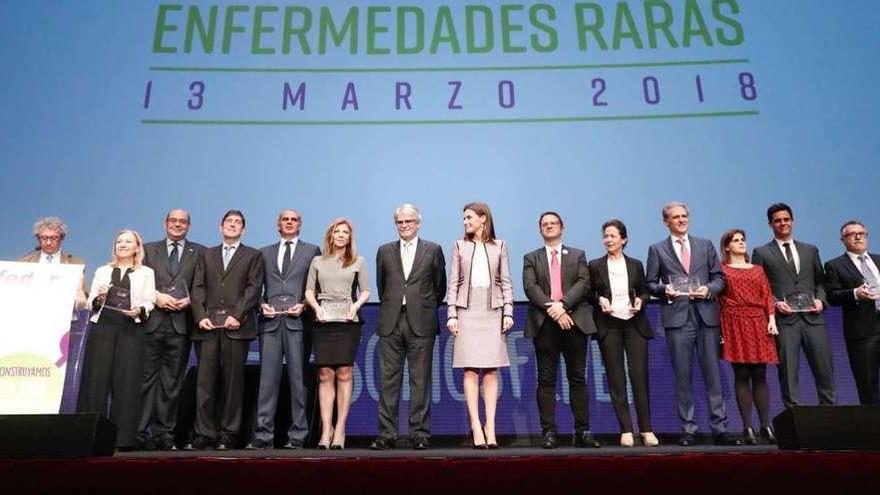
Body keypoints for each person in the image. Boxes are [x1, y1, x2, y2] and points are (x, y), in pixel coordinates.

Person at [646, 202, 739, 446]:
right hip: (677, 320)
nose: (681, 220)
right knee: (683, 377)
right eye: (676, 217)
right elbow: (650, 284)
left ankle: (720, 428)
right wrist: (666, 289)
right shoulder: (657, 249)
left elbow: (719, 278)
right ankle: (688, 429)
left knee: (713, 375)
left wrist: (708, 289)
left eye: (684, 216)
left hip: (706, 317)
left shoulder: (705, 245)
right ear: (666, 221)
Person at [370, 204, 446, 451]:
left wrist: (421, 305)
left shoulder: (433, 250)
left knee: (420, 380)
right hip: (391, 321)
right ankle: (386, 434)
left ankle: (419, 433)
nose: (404, 226)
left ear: (418, 222)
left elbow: (439, 287)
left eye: (408, 221)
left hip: (421, 322)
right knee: (388, 381)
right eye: (400, 222)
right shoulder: (384, 251)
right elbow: (383, 288)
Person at [523, 211, 601, 449]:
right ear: (540, 230)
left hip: (574, 322)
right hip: (545, 324)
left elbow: (583, 283)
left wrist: (563, 306)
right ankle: (549, 433)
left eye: (553, 223)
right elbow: (530, 287)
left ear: (562, 227)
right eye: (544, 224)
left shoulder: (577, 255)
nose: (549, 227)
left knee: (577, 377)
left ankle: (582, 432)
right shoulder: (531, 257)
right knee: (546, 379)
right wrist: (554, 310)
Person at [189, 210, 264, 450]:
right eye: (229, 222)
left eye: (238, 223)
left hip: (236, 327)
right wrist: (199, 316)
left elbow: (253, 289)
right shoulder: (206, 254)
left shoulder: (252, 255)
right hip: (208, 327)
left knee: (233, 383)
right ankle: (204, 433)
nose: (233, 225)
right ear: (220, 227)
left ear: (243, 229)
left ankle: (228, 433)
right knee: (205, 382)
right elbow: (197, 287)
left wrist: (238, 315)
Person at [248, 210, 321, 450]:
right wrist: (261, 305)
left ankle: (298, 435)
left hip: (298, 323)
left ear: (300, 225)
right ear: (278, 225)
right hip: (270, 323)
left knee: (298, 381)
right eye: (285, 219)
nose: (289, 223)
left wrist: (304, 305)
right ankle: (263, 435)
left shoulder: (312, 251)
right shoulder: (264, 253)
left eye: (294, 220)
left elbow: (316, 286)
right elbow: (255, 287)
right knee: (267, 382)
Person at [77, 229, 156, 450]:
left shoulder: (146, 273)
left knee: (127, 383)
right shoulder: (102, 271)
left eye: (127, 241)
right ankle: (91, 436)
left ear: (137, 247)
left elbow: (150, 300)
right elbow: (90, 301)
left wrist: (140, 309)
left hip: (131, 329)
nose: (122, 245)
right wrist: (98, 298)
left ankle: (123, 440)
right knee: (96, 381)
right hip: (103, 328)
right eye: (119, 241)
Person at [752, 203, 835, 407]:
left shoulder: (810, 249)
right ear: (770, 224)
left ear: (793, 221)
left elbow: (821, 282)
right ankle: (794, 418)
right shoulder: (761, 252)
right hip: (785, 321)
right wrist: (776, 303)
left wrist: (820, 300)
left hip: (814, 320)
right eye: (778, 220)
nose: (783, 223)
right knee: (788, 372)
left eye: (786, 219)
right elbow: (758, 289)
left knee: (825, 369)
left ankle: (830, 414)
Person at [447, 202, 514, 449]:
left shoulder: (500, 246)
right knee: (470, 370)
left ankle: (491, 426)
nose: (465, 222)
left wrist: (508, 312)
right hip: (467, 310)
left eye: (469, 217)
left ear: (483, 218)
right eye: (463, 218)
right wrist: (452, 314)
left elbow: (506, 281)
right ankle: (476, 425)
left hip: (492, 310)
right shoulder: (459, 246)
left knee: (492, 370)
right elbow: (453, 282)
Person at [588, 219, 658, 447]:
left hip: (634, 323)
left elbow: (645, 291)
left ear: (623, 240)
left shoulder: (636, 264)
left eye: (612, 236)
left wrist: (641, 300)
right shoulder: (595, 265)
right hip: (609, 325)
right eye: (605, 236)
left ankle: (646, 429)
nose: (608, 240)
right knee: (616, 378)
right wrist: (599, 300)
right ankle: (626, 429)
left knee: (639, 377)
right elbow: (589, 293)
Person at [138, 209, 204, 451]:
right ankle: (141, 432)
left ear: (189, 225)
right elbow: (138, 280)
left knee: (172, 382)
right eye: (173, 221)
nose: (178, 225)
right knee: (145, 379)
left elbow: (201, 285)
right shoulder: (146, 249)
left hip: (181, 324)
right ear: (165, 223)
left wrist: (191, 301)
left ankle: (165, 434)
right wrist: (155, 296)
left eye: (183, 221)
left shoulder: (199, 252)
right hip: (152, 322)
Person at [304, 218, 370, 450]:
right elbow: (309, 291)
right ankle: (326, 430)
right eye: (337, 232)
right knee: (324, 373)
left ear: (350, 238)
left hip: (347, 321)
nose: (341, 235)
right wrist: (317, 309)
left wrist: (355, 306)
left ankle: (340, 429)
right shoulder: (317, 261)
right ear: (330, 236)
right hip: (323, 320)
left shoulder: (358, 261)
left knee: (344, 372)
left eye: (345, 232)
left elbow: (366, 291)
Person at [718, 229, 779, 445]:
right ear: (727, 246)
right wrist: (721, 332)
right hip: (734, 322)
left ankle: (766, 426)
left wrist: (771, 319)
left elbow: (767, 295)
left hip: (758, 321)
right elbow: (719, 302)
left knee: (760, 373)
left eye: (743, 239)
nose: (741, 243)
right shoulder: (722, 270)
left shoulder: (757, 269)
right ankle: (748, 427)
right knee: (742, 374)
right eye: (736, 240)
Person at [825, 220, 880, 405]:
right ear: (842, 240)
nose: (858, 237)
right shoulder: (835, 265)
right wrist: (855, 293)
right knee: (868, 383)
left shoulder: (879, 259)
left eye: (861, 233)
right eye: (851, 234)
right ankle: (873, 428)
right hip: (863, 332)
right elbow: (832, 295)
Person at [20, 216, 88, 311]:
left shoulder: (75, 263)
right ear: (38, 238)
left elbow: (84, 297)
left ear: (61, 238)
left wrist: (80, 295)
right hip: (31, 311)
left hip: (63, 315)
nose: (48, 242)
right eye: (44, 238)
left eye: (53, 238)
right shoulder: (25, 261)